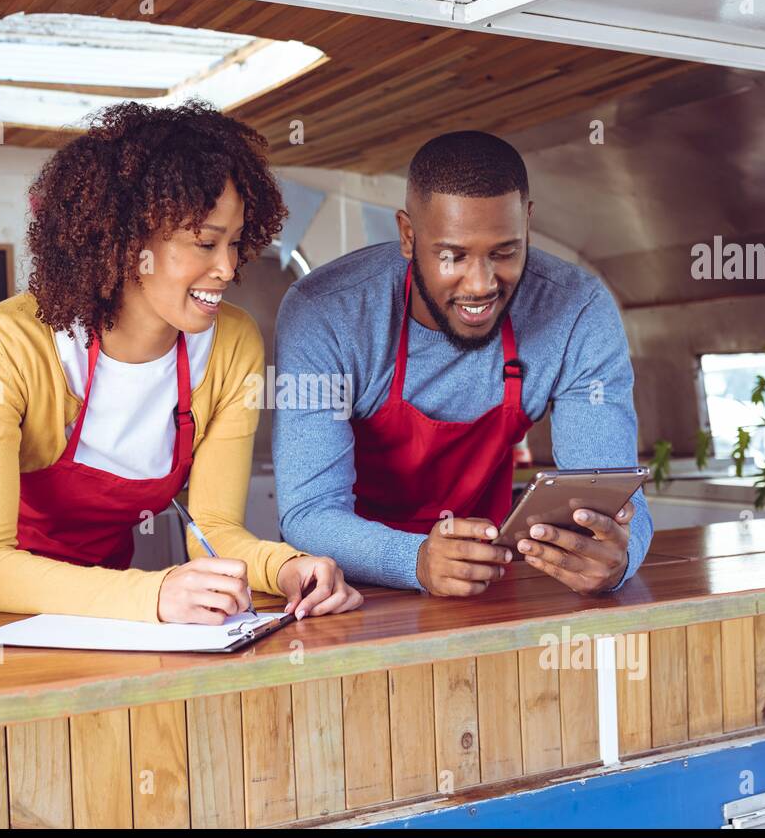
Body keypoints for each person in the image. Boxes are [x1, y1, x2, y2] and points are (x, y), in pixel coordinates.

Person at [0, 100, 362, 623]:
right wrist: (153, 596)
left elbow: (214, 532)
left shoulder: (233, 344)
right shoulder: (7, 341)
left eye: (235, 242)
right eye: (205, 242)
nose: (228, 267)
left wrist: (288, 567)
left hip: (98, 582)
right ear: (126, 240)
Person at [273, 130, 652, 597]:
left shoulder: (577, 309)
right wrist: (414, 560)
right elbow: (308, 511)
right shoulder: (326, 312)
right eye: (453, 255)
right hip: (347, 592)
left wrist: (619, 558)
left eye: (505, 252)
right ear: (409, 236)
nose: (481, 284)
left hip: (484, 582)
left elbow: (608, 486)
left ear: (528, 224)